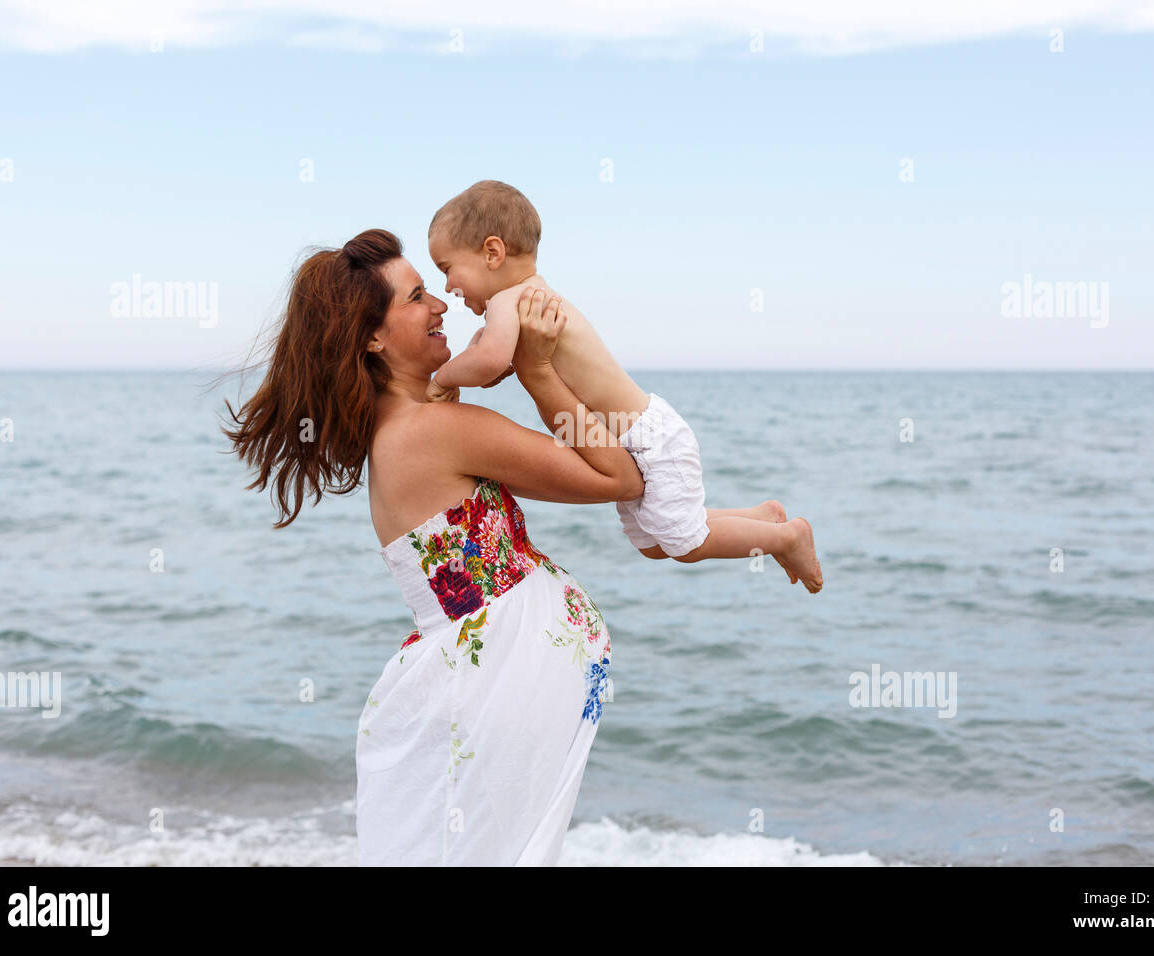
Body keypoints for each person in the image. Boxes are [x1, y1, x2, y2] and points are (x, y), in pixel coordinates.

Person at [221, 228, 643, 865]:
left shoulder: (401, 429)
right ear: (372, 336)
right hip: (490, 692)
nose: (441, 303)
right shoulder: (437, 431)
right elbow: (619, 477)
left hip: (481, 690)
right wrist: (538, 371)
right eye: (417, 296)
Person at [426, 179, 824, 592]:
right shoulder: (525, 301)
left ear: (492, 252)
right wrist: (466, 370)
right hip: (630, 435)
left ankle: (786, 536)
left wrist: (441, 379)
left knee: (686, 545)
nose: (448, 287)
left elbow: (489, 358)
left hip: (646, 435)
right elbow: (487, 359)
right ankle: (761, 516)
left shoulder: (510, 302)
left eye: (446, 269)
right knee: (653, 544)